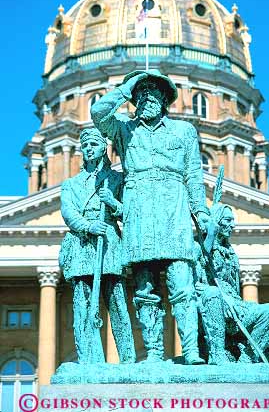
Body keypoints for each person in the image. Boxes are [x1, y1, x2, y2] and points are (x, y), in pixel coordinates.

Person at [91, 69, 209, 364]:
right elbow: (98, 113)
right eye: (141, 94)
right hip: (139, 211)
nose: (147, 98)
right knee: (145, 289)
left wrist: (202, 214)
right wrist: (126, 88)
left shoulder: (184, 132)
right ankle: (154, 351)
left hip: (174, 209)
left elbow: (194, 175)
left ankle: (191, 350)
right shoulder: (123, 130)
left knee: (182, 284)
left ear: (165, 99)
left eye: (153, 93)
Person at [59, 128, 136, 364]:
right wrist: (87, 226)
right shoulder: (70, 184)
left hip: (109, 240)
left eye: (94, 144)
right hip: (83, 243)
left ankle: (128, 358)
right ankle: (90, 359)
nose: (89, 148)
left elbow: (129, 213)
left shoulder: (117, 179)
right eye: (85, 146)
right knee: (82, 302)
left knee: (117, 301)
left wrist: (112, 202)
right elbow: (68, 212)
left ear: (104, 148)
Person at [194, 204, 269, 365]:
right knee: (212, 294)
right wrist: (210, 237)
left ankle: (247, 358)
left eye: (233, 220)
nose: (233, 225)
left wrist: (232, 301)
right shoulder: (198, 247)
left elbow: (235, 289)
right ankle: (217, 354)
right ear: (216, 222)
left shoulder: (230, 252)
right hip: (211, 305)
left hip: (236, 306)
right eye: (228, 220)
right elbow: (194, 282)